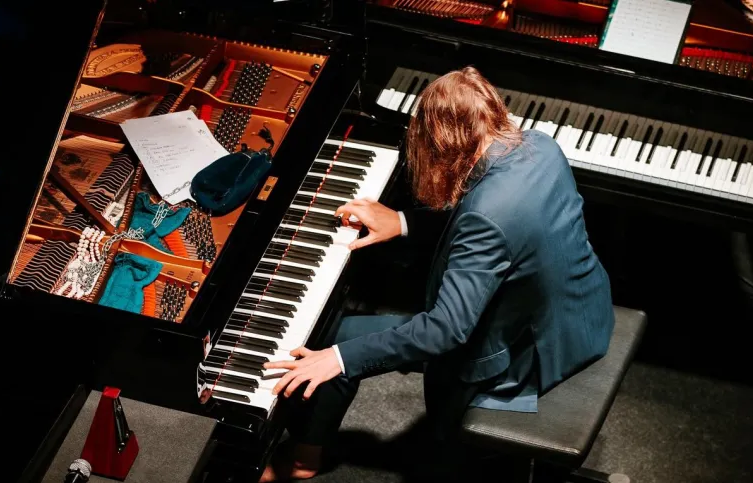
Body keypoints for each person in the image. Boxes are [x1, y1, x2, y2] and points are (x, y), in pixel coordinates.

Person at [259, 66, 615, 481]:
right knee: (351, 342)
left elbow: (446, 330)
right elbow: (506, 228)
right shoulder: (540, 145)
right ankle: (309, 452)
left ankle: (303, 460)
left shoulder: (487, 216)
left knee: (338, 341)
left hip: (524, 360)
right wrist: (403, 222)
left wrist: (338, 360)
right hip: (582, 316)